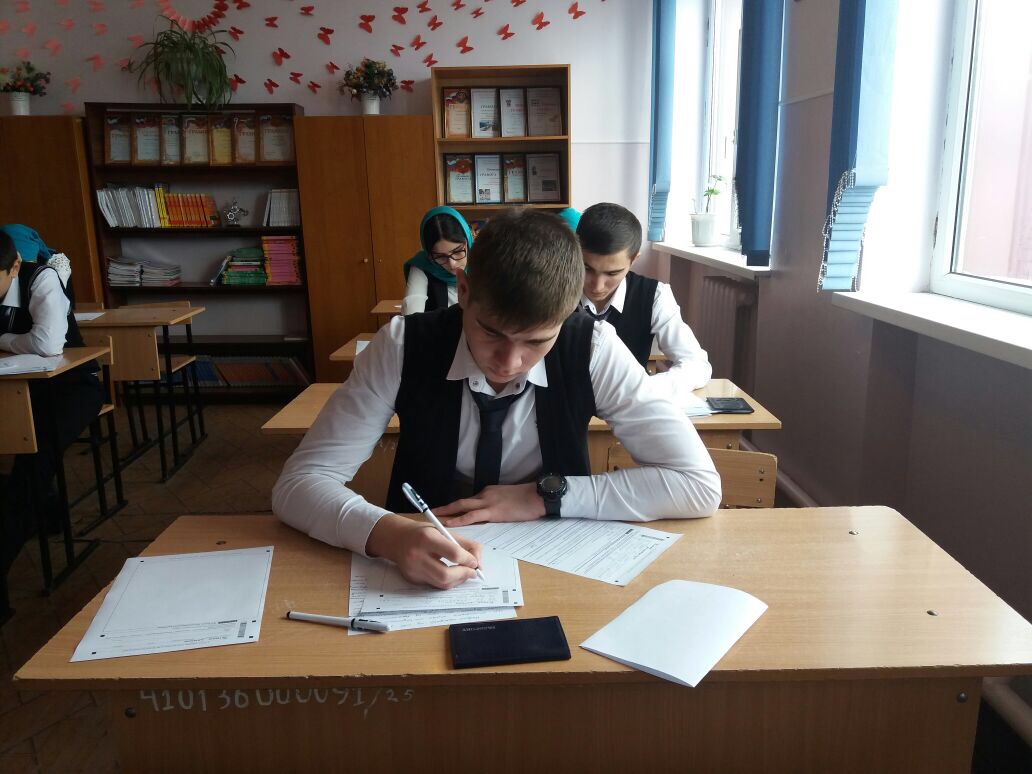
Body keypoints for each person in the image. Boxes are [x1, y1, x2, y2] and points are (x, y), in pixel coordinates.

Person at [273, 209, 721, 590]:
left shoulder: (594, 348)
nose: (509, 362)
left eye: (537, 341)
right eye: (491, 333)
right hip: (420, 567)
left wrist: (545, 497)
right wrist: (387, 534)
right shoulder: (402, 345)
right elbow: (298, 484)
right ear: (464, 290)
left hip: (557, 563)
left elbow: (698, 486)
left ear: (569, 311)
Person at [0, 228, 103, 575]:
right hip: (15, 389)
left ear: (14, 266)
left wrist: (3, 339)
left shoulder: (41, 278)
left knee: (34, 459)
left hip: (70, 387)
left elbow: (47, 344)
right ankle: (42, 512)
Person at [576, 202, 713, 402]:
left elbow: (697, 365)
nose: (597, 285)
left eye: (612, 273)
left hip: (627, 407)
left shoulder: (655, 295)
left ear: (633, 260)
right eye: (587, 268)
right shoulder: (551, 290)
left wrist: (644, 388)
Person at [401, 206, 473, 315]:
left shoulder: (483, 262)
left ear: (468, 241)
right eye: (441, 256)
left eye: (458, 251)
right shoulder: (423, 266)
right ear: (429, 254)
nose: (452, 263)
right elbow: (411, 315)